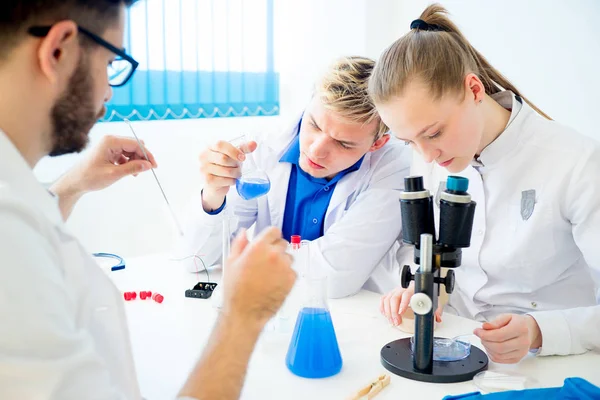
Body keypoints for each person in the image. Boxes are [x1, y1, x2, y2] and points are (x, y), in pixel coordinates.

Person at [0, 1, 295, 399]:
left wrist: (72, 185)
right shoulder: (10, 239)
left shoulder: (15, 202)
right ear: (58, 50)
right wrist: (242, 317)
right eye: (109, 64)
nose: (107, 90)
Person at [372, 4, 600, 364]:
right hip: (463, 345)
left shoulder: (577, 162)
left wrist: (542, 330)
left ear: (474, 89)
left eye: (433, 133)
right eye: (410, 142)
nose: (427, 156)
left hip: (557, 361)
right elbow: (443, 266)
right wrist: (422, 291)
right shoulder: (435, 156)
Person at [178, 56, 412, 298]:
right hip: (266, 309)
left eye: (343, 143)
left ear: (378, 143)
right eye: (314, 125)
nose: (316, 150)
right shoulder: (261, 148)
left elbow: (333, 278)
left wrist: (249, 258)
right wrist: (214, 196)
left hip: (351, 314)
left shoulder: (394, 169)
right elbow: (196, 261)